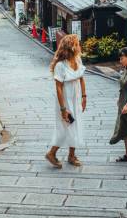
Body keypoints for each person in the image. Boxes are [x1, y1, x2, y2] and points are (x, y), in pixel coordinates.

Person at [45, 34, 87, 168]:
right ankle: (51, 153)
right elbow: (58, 87)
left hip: (76, 98)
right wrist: (63, 109)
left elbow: (81, 78)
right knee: (65, 127)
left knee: (75, 124)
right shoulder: (60, 65)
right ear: (72, 46)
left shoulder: (78, 60)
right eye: (77, 43)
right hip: (65, 100)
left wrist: (84, 97)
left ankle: (71, 155)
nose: (79, 45)